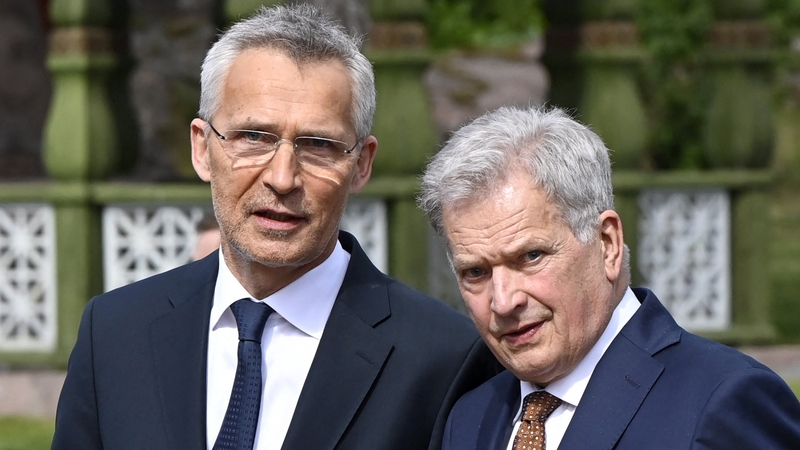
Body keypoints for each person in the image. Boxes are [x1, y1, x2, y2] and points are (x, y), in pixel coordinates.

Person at [51, 5, 499, 450]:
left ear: (361, 165)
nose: (282, 177)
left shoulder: (442, 358)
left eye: (319, 144)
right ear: (202, 148)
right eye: (253, 137)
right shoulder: (114, 333)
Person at [418, 105, 800, 449]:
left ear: (608, 244)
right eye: (475, 272)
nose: (502, 301)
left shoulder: (721, 400)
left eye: (530, 256)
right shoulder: (469, 419)